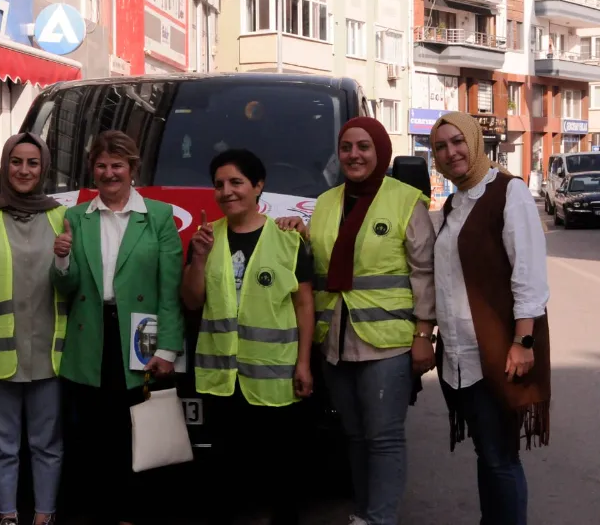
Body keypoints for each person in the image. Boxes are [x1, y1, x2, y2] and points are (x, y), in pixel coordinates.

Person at [279, 118, 436, 525]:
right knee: (354, 436)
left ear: (380, 152)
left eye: (364, 147)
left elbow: (425, 271)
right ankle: (365, 514)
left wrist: (424, 334)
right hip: (336, 339)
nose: (354, 155)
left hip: (389, 341)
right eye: (346, 147)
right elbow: (324, 257)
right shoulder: (327, 200)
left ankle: (379, 519)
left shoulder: (405, 200)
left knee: (383, 438)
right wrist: (300, 233)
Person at [51, 130, 184, 525]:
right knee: (91, 435)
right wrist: (60, 261)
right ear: (93, 169)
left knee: (136, 431)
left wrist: (167, 349)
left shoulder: (158, 216)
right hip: (90, 336)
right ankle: (97, 512)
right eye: (102, 165)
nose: (109, 173)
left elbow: (169, 288)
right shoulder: (75, 217)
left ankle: (131, 514)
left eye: (117, 165)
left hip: (140, 337)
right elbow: (66, 287)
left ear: (132, 169)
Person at [180, 149, 315, 525]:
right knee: (223, 468)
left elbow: (305, 305)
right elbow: (192, 300)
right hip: (221, 378)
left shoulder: (288, 239)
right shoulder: (205, 238)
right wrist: (200, 259)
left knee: (280, 468)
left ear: (258, 186)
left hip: (273, 376)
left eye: (236, 182)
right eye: (219, 184)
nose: (227, 191)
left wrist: (304, 363)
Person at [430, 112, 550, 525]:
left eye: (457, 141)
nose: (451, 152)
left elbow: (528, 273)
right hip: (460, 355)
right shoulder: (455, 202)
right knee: (488, 452)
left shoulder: (507, 191)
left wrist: (523, 342)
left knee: (500, 457)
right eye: (441, 146)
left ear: (476, 141)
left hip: (497, 351)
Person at [0, 133, 67, 525]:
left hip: (49, 350)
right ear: (5, 165)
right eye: (16, 161)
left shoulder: (62, 216)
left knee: (47, 444)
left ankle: (44, 515)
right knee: (1, 443)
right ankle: (7, 513)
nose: (24, 170)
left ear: (44, 167)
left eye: (32, 162)